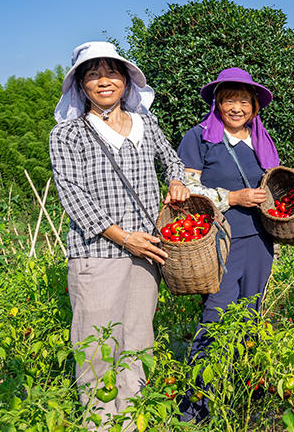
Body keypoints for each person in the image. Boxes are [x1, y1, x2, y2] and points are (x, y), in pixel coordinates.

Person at [49, 41, 190, 426]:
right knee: (96, 346)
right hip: (97, 253)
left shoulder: (147, 124)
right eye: (92, 74)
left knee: (137, 341)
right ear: (81, 86)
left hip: (146, 251)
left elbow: (173, 160)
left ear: (127, 81)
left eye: (111, 72)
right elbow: (72, 195)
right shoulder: (68, 134)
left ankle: (132, 420)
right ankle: (100, 423)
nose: (103, 80)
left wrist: (176, 180)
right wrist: (123, 236)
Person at [176, 67, 279, 421]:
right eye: (229, 99)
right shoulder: (199, 138)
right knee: (216, 314)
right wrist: (232, 197)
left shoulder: (261, 141)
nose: (237, 107)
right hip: (218, 242)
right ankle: (196, 407)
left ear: (254, 106)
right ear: (218, 102)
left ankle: (242, 397)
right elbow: (185, 192)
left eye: (244, 101)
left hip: (260, 241)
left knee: (251, 316)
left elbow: (274, 185)